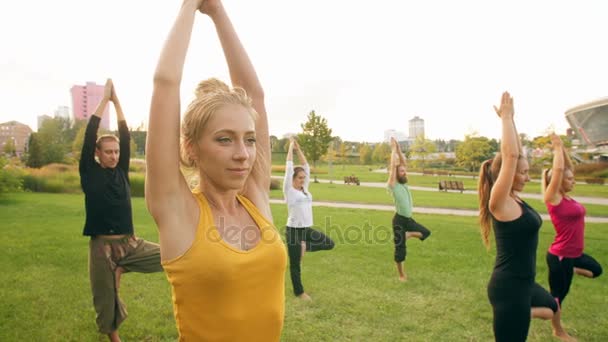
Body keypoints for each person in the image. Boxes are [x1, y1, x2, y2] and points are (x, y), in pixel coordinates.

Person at [146, 0, 286, 340]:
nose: (243, 155)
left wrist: (218, 11)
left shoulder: (254, 198)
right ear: (191, 148)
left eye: (249, 140)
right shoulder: (178, 211)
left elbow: (255, 95)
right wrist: (191, 6)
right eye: (224, 140)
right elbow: (166, 83)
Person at [79, 79, 162, 342]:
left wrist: (118, 102)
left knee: (170, 256)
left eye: (116, 152)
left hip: (130, 243)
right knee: (105, 300)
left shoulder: (122, 172)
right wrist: (105, 100)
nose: (114, 155)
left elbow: (125, 135)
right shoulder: (89, 172)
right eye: (109, 152)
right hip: (102, 248)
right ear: (97, 153)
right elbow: (91, 131)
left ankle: (122, 267)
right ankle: (115, 340)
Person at [478, 92, 559, 342]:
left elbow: (516, 153)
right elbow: (511, 155)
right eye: (522, 173)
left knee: (551, 308)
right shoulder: (499, 202)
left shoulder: (515, 198)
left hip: (526, 285)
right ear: (507, 174)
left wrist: (513, 122)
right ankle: (514, 314)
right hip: (509, 289)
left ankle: (520, 314)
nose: (527, 177)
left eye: (527, 172)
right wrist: (505, 119)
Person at [542, 133, 603, 340]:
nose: (573, 180)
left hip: (574, 255)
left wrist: (564, 152)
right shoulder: (553, 197)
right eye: (569, 179)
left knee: (596, 270)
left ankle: (571, 268)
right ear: (557, 182)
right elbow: (558, 170)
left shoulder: (567, 198)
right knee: (558, 297)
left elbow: (564, 167)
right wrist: (557, 148)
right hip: (561, 255)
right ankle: (558, 331)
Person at [283, 137, 335, 300]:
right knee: (295, 265)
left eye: (304, 178)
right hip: (293, 231)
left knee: (329, 243)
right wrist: (291, 147)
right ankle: (299, 292)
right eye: (299, 178)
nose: (303, 179)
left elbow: (305, 166)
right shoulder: (289, 191)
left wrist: (299, 149)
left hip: (305, 230)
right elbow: (289, 167)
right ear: (292, 179)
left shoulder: (305, 189)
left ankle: (305, 247)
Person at [387, 137, 431, 282]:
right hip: (399, 221)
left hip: (409, 220)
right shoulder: (394, 185)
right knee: (400, 249)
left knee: (426, 232)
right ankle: (401, 275)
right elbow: (394, 167)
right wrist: (393, 151)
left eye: (405, 171)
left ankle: (410, 234)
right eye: (402, 171)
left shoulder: (405, 183)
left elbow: (402, 162)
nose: (405, 172)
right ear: (396, 174)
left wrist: (398, 149)